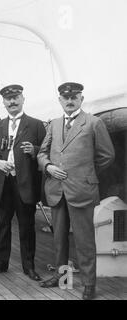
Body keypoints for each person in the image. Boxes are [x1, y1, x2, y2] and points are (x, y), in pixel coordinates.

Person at [37, 82, 115, 300]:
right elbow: (42, 153)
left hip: (81, 190)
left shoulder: (93, 123)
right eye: (65, 98)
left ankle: (89, 284)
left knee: (84, 240)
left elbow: (107, 156)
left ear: (81, 99)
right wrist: (48, 166)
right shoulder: (53, 124)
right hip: (56, 190)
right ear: (60, 100)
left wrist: (85, 174)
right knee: (59, 238)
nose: (69, 101)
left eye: (74, 97)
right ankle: (63, 279)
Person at [0, 85, 46, 281]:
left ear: (22, 99)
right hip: (3, 183)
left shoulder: (36, 125)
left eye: (15, 98)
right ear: (3, 103)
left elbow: (46, 150)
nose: (12, 102)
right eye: (8, 99)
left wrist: (34, 150)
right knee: (2, 224)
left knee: (27, 226)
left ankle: (29, 266)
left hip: (24, 182)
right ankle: (1, 263)